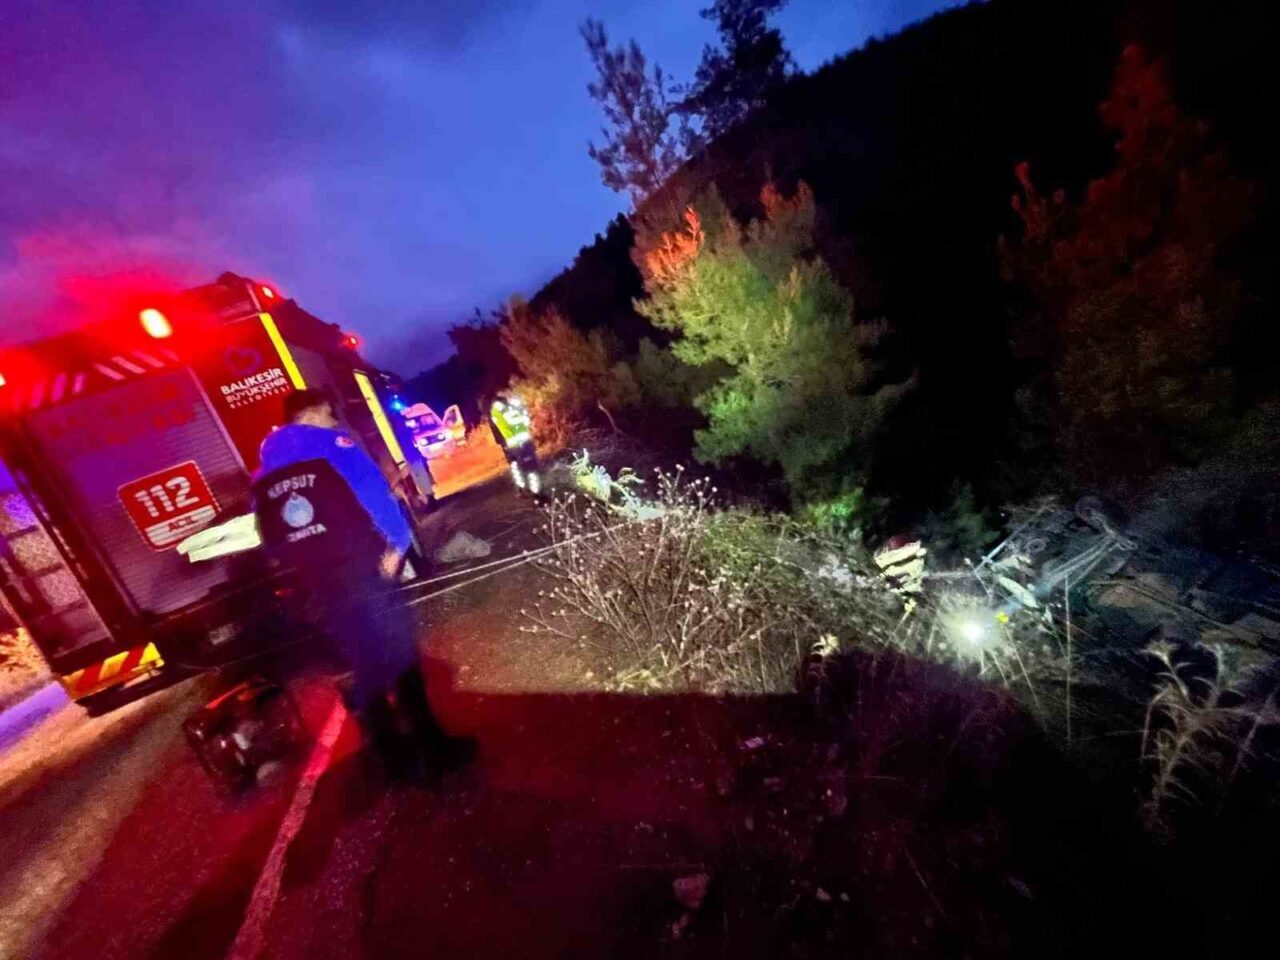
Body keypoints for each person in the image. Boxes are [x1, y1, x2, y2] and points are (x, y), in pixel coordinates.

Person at [252, 388, 471, 780]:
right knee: (401, 653)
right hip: (363, 567)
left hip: (318, 581)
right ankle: (433, 749)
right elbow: (374, 494)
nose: (333, 422)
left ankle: (391, 757)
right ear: (312, 414)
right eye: (328, 415)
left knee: (364, 662)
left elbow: (270, 536)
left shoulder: (265, 470)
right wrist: (398, 545)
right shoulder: (334, 445)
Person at [488, 393, 540, 494]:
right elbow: (514, 422)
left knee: (517, 466)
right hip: (513, 442)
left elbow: (497, 429)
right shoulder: (503, 409)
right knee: (523, 466)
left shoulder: (497, 411)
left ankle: (523, 488)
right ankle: (527, 488)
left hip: (510, 442)